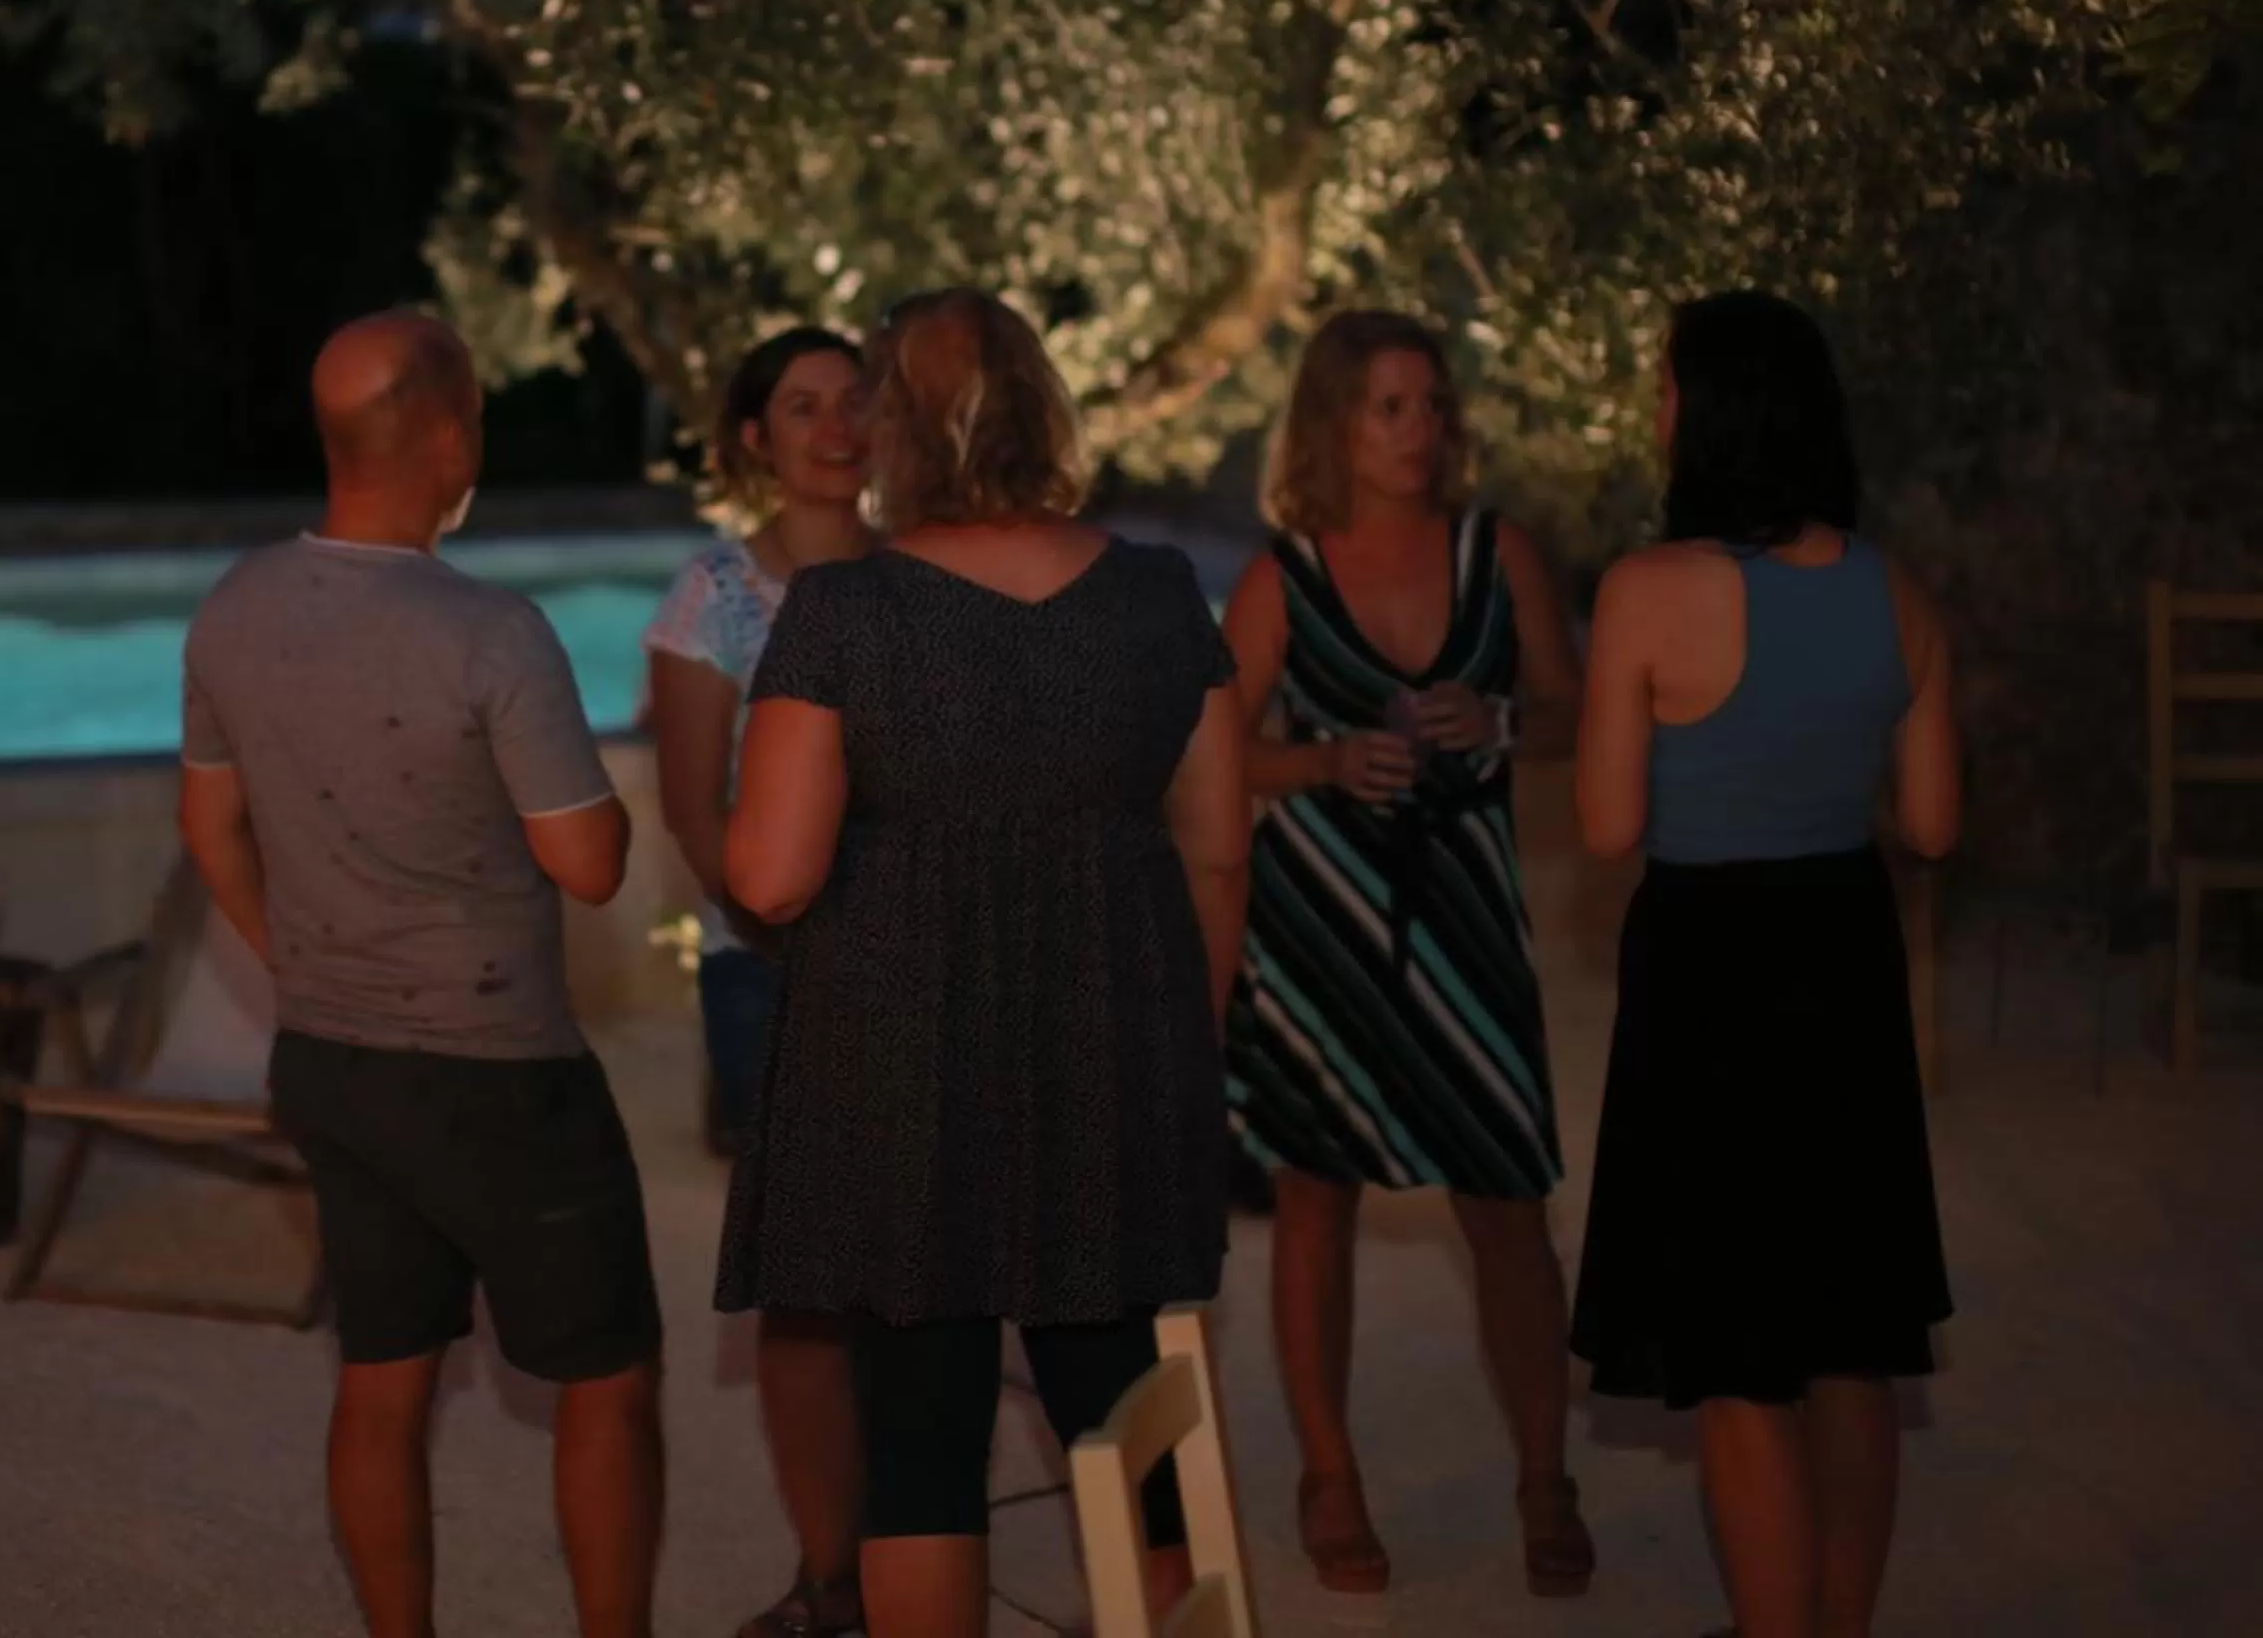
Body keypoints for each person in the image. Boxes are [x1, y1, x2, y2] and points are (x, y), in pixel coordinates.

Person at [719, 289, 1251, 1638]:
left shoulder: (842, 612)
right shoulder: (1157, 592)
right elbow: (1220, 851)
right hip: (1112, 1040)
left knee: (920, 1453)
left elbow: (769, 874)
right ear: (1041, 404)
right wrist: (1183, 1038)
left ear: (897, 427)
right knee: (1129, 1413)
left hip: (901, 1055)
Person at [176, 311, 665, 1638]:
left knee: (381, 1380)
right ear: (449, 436)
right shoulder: (494, 632)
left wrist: (306, 959)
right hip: (499, 1072)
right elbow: (592, 867)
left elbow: (210, 833)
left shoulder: (233, 606)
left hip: (332, 1061)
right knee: (609, 1381)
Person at [1569, 289, 1958, 1638]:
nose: (1658, 413)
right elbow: (1935, 822)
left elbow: (1608, 827)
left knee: (1741, 1358)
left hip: (1710, 974)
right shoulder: (1898, 591)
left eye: (1669, 389)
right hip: (1842, 963)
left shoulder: (1645, 592)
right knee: (1853, 1338)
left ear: (1714, 414)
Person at [1217, 308, 1593, 1598]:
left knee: (1507, 1204)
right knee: (1317, 1202)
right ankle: (1332, 1477)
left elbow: (1577, 718)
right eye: (1390, 407)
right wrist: (1321, 759)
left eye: (1431, 405)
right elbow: (1204, 756)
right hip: (1318, 918)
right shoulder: (1282, 577)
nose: (1420, 431)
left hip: (1469, 915)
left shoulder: (1505, 555)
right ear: (1333, 421)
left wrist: (1497, 717)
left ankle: (1547, 1477)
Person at [638, 326, 871, 1638]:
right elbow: (692, 816)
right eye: (803, 407)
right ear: (756, 442)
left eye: (856, 402)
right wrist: (803, 928)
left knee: (929, 1268)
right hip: (771, 977)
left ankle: (914, 1548)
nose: (835, 428)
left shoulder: (933, 581)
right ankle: (830, 1575)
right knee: (807, 1280)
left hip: (930, 974)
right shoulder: (713, 600)